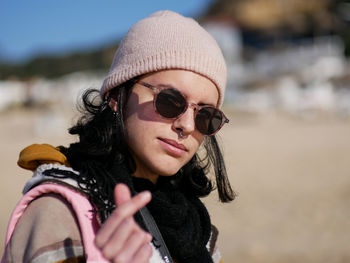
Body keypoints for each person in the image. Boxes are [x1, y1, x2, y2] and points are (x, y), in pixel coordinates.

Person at [2, 10, 235, 263]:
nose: (187, 125)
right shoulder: (60, 212)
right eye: (170, 101)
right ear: (116, 97)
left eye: (206, 116)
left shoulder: (196, 229)